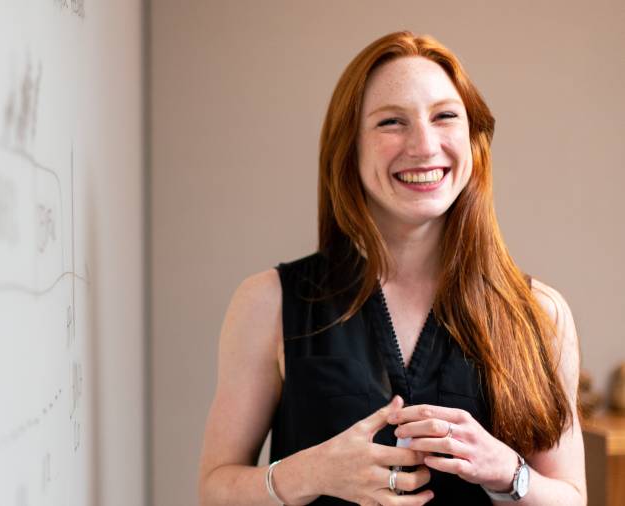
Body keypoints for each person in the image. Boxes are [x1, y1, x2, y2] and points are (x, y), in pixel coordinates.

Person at [198, 31, 586, 506]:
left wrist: (508, 472)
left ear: (473, 138)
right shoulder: (268, 303)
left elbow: (571, 498)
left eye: (445, 117)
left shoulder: (541, 314)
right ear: (349, 149)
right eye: (391, 123)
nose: (424, 146)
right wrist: (311, 472)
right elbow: (214, 490)